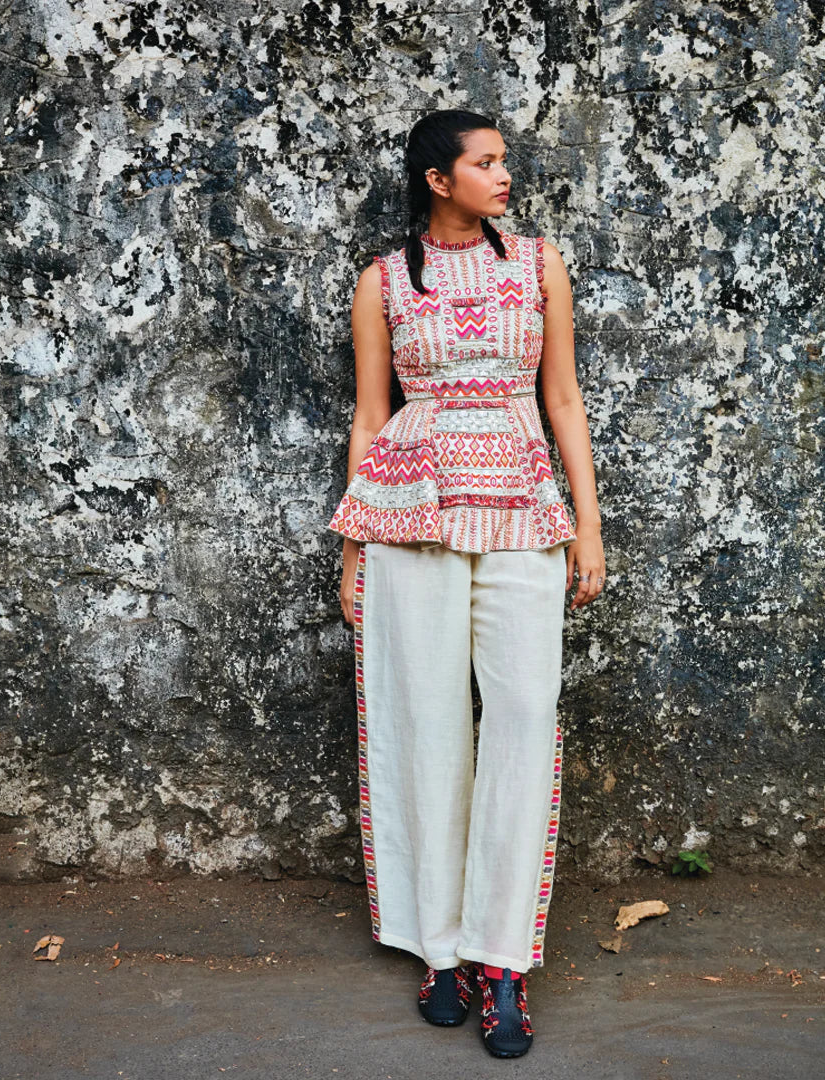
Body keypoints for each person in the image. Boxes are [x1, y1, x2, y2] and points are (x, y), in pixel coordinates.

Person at [327, 109, 605, 1059]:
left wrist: (587, 527)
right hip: (413, 516)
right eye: (485, 164)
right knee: (423, 722)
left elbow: (561, 397)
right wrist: (354, 546)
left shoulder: (538, 264)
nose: (505, 176)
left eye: (504, 161)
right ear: (438, 179)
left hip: (526, 510)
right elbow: (372, 418)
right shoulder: (382, 281)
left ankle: (502, 961)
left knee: (524, 715)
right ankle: (438, 951)